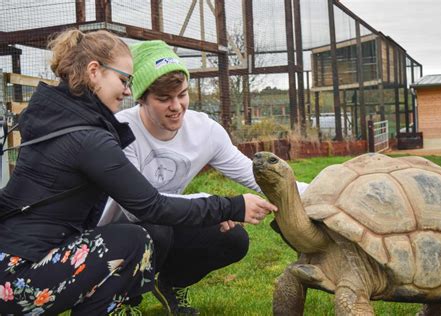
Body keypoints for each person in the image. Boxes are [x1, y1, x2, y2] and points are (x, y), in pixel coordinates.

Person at [0, 29, 276, 316]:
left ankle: (118, 305)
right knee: (132, 239)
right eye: (123, 80)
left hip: (16, 263)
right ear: (95, 71)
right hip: (18, 278)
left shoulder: (60, 118)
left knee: (129, 237)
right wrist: (231, 205)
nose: (128, 90)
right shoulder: (88, 139)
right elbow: (151, 206)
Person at [98, 40, 307, 315]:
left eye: (182, 95)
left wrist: (324, 193)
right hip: (115, 234)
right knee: (153, 229)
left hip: (169, 220)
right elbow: (139, 207)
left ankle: (173, 282)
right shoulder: (122, 131)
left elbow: (254, 175)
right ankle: (122, 300)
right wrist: (214, 204)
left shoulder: (204, 130)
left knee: (234, 240)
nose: (177, 106)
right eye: (164, 99)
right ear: (141, 98)